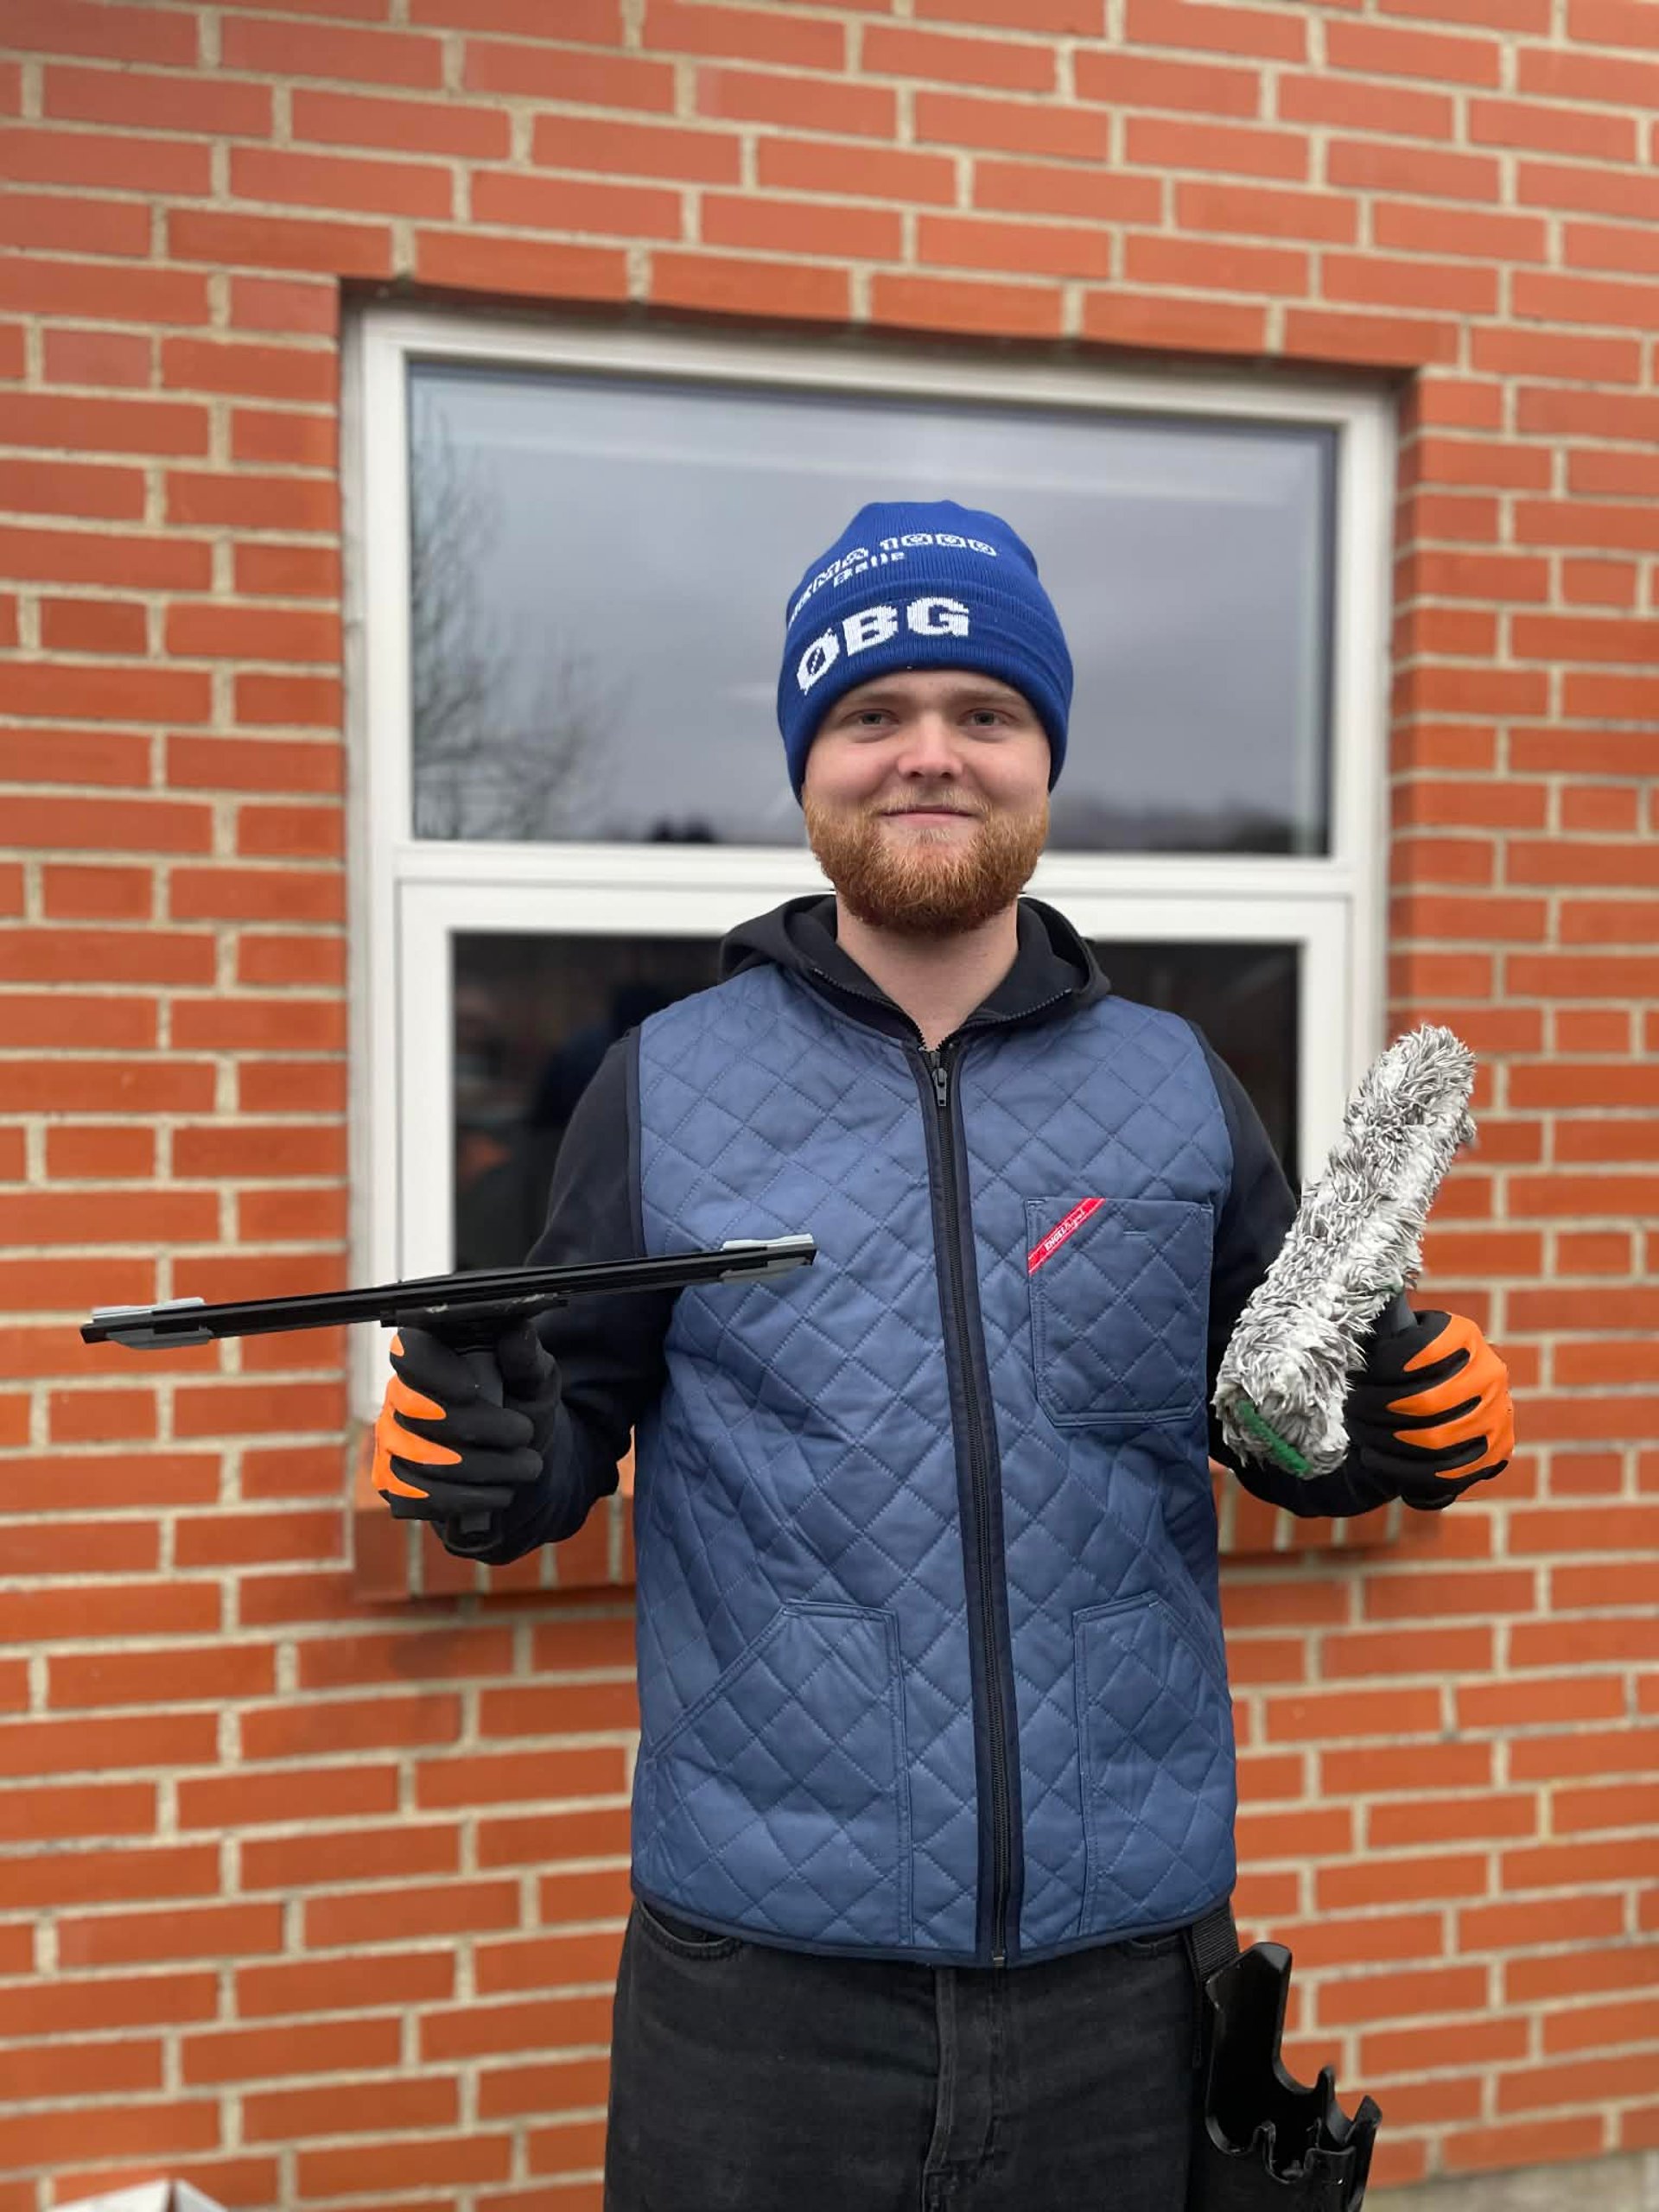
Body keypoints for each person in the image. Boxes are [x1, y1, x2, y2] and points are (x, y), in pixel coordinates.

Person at [372, 502, 1515, 2212]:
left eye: (983, 711)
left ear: (1044, 754)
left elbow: (1277, 1416)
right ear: (808, 763)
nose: (929, 756)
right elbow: (558, 1435)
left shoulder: (1178, 1085)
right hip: (760, 1990)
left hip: (1131, 1978)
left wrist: (1398, 1430)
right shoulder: (661, 1082)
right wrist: (474, 1456)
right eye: (871, 714)